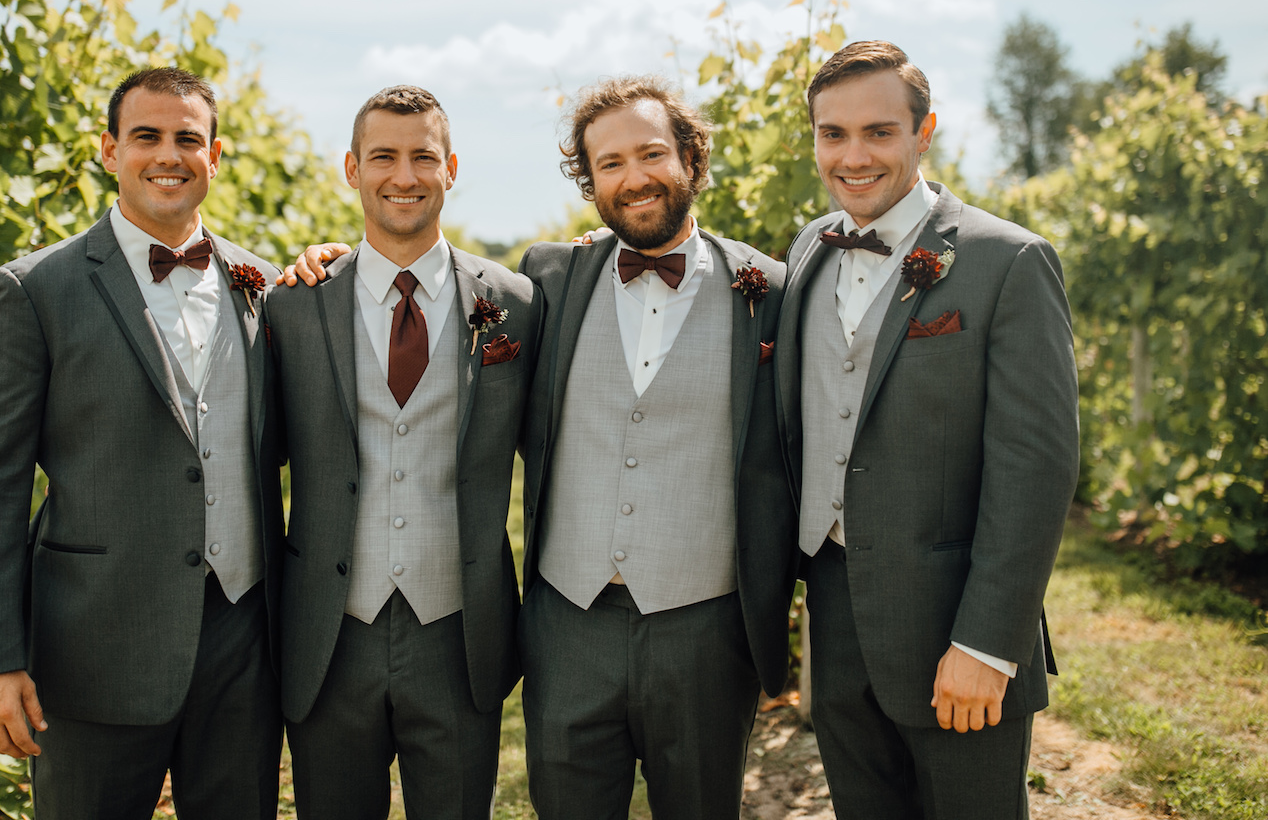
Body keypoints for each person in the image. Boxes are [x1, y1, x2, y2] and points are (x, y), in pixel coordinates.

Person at [0, 67, 283, 818]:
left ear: (215, 156)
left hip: (242, 636)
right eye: (147, 137)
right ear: (108, 150)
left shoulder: (261, 282)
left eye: (188, 138)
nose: (169, 154)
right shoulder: (35, 289)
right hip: (94, 642)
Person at [778, 40, 1079, 817]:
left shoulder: (1006, 261)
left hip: (956, 626)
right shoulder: (809, 247)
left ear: (924, 132)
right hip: (835, 616)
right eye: (831, 133)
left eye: (879, 132)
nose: (853, 155)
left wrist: (986, 643)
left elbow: (1036, 466)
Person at [516, 76, 797, 819]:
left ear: (691, 158)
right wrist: (331, 261)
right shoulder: (547, 278)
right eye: (609, 163)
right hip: (566, 620)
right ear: (590, 181)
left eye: (650, 154)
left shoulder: (769, 290)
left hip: (705, 627)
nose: (633, 178)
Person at [266, 85, 541, 819]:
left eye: (423, 156)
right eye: (383, 156)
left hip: (460, 630)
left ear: (450, 167)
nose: (404, 175)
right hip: (329, 631)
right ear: (351, 169)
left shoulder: (515, 302)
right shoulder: (292, 304)